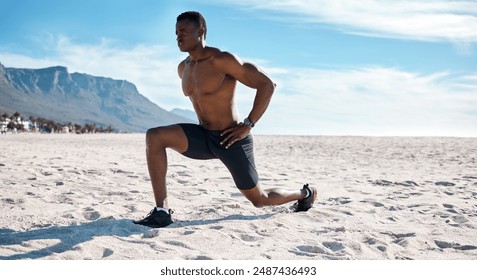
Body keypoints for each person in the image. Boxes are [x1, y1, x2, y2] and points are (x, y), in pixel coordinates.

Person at [133, 11, 317, 228]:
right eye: (175, 33)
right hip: (203, 136)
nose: (178, 37)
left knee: (260, 200)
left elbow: (267, 85)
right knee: (155, 136)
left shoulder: (222, 60)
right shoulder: (183, 68)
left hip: (231, 139)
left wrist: (248, 124)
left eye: (182, 31)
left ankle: (304, 193)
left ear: (200, 31)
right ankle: (161, 211)